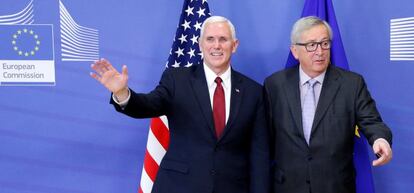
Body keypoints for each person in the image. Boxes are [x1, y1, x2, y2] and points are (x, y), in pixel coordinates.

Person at [90, 16, 269, 193]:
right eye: (210, 39)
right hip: (179, 186)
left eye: (223, 39)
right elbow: (148, 105)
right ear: (200, 44)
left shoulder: (254, 92)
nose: (216, 45)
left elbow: (259, 155)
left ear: (234, 45)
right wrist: (122, 93)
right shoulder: (177, 79)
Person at [263, 16, 392, 193]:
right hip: (287, 185)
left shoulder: (351, 84)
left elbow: (372, 121)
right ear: (294, 51)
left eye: (325, 43)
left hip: (335, 186)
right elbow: (263, 137)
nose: (320, 51)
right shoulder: (274, 84)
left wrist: (380, 139)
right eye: (311, 45)